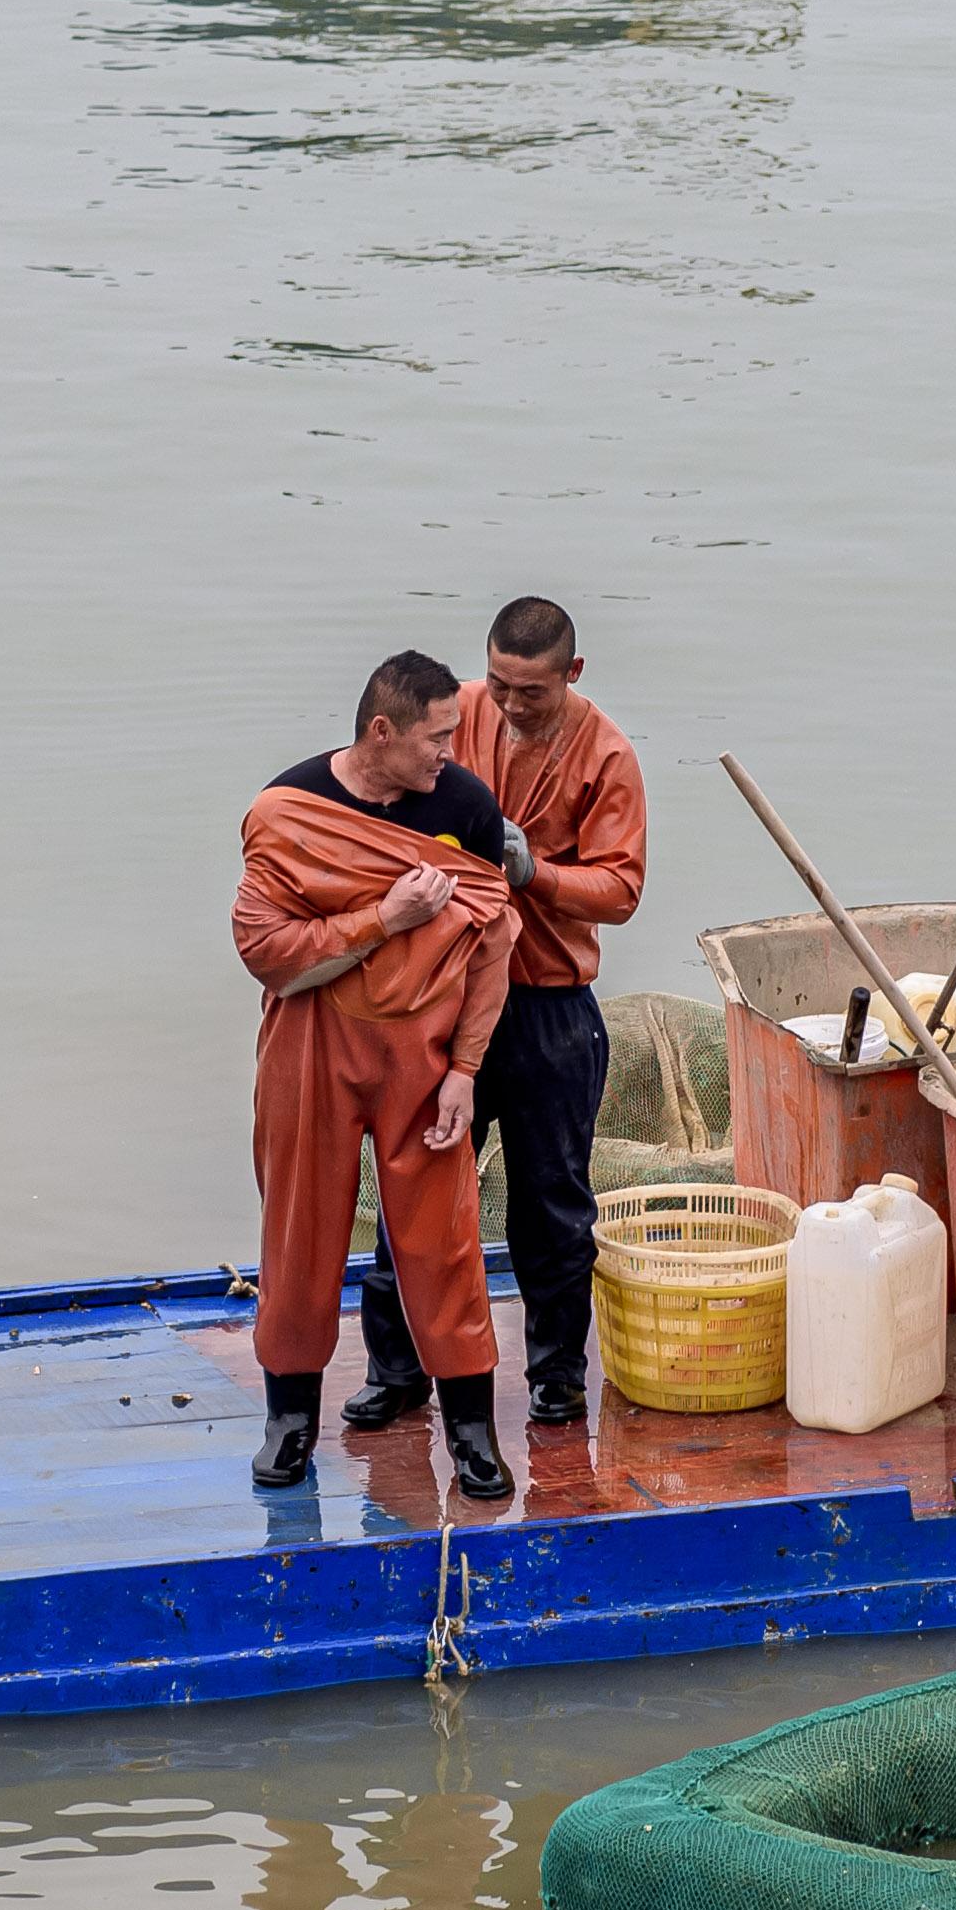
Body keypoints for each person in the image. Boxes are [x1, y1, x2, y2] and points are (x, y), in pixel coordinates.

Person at [343, 596, 651, 1431]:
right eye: (501, 685)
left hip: (550, 1007)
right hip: (446, 998)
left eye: (533, 693)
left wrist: (535, 871)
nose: (511, 706)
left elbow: (621, 890)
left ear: (572, 675)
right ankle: (394, 1369)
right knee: (413, 1188)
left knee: (552, 1205)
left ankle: (556, 1377)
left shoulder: (608, 755)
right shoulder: (455, 717)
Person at [235, 650, 526, 1503]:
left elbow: (493, 945)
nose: (450, 752)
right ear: (380, 731)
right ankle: (289, 1422)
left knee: (444, 1240)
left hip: (423, 1051)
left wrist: (466, 1070)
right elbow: (268, 956)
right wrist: (383, 917)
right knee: (300, 1236)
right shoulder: (289, 807)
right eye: (436, 737)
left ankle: (471, 1431)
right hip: (310, 1044)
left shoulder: (465, 807)